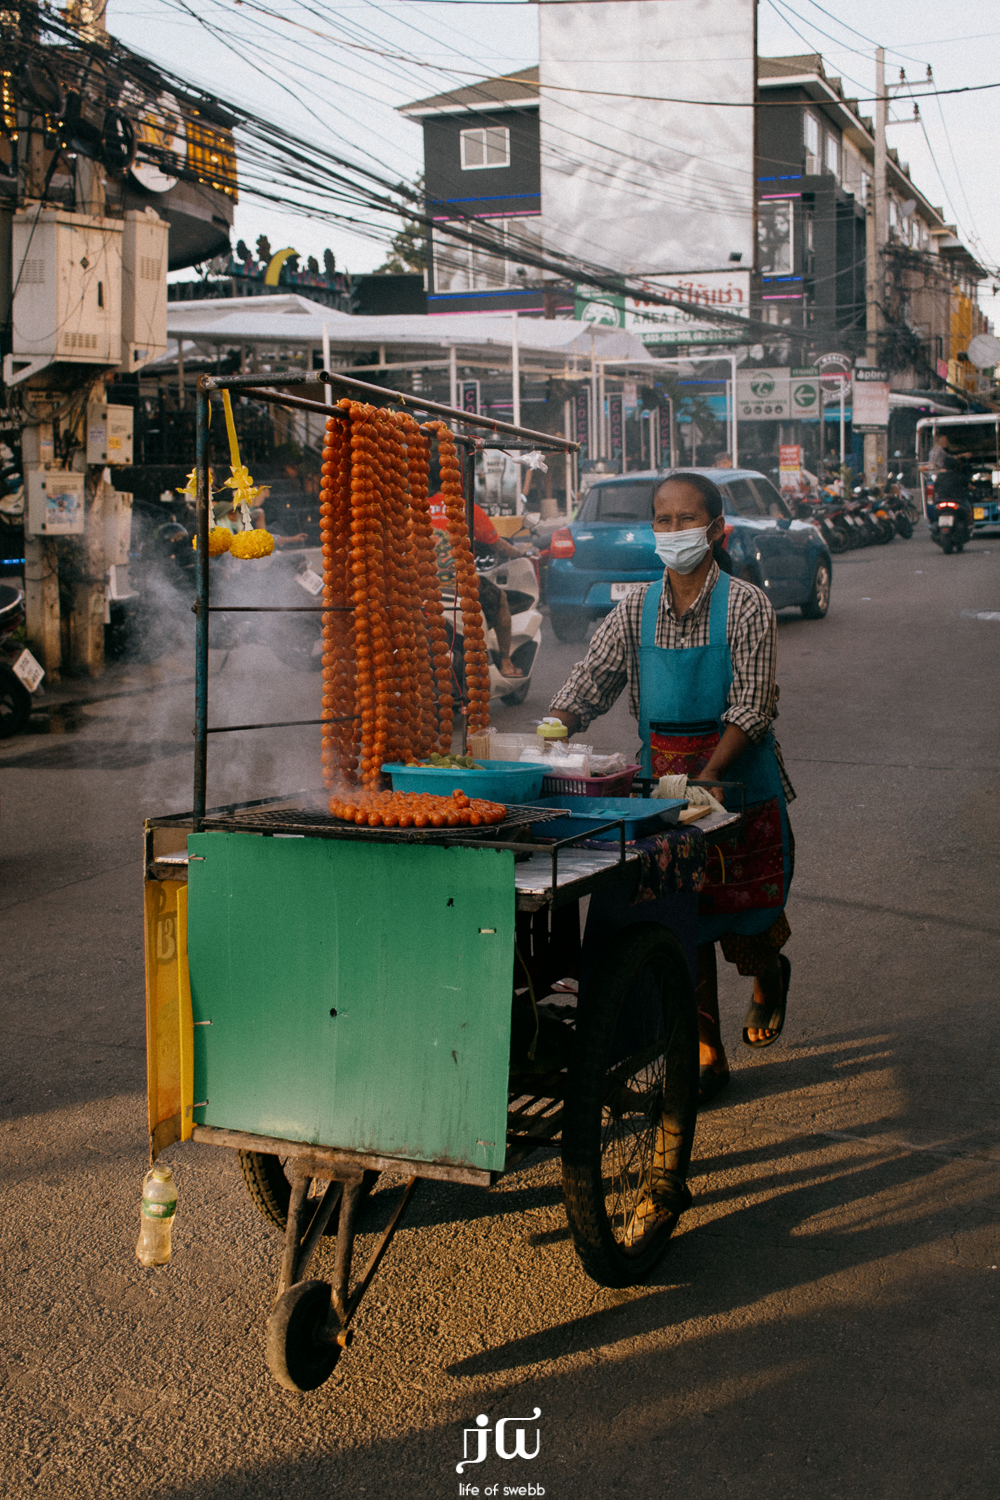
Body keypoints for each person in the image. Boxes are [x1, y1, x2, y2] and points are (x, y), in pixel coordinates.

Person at [547, 471, 794, 1106]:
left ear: (717, 529)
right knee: (687, 918)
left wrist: (711, 778)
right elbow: (593, 678)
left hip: (736, 785)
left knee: (746, 922)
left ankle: (771, 976)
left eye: (688, 519)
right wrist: (554, 728)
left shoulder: (746, 605)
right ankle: (707, 1052)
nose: (675, 530)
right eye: (664, 519)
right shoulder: (633, 607)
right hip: (663, 789)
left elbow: (753, 706)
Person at [429, 495, 527, 678]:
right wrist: (518, 551)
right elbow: (498, 545)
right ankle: (506, 662)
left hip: (422, 586)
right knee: (501, 599)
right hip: (460, 586)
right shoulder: (467, 508)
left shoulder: (413, 508)